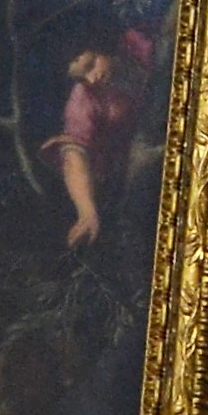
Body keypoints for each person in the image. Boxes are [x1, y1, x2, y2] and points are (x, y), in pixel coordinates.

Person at [51, 30, 150, 250]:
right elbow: (74, 152)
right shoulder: (83, 96)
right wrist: (86, 212)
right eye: (81, 77)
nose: (91, 79)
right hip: (129, 167)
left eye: (91, 65)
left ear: (103, 48)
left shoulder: (138, 47)